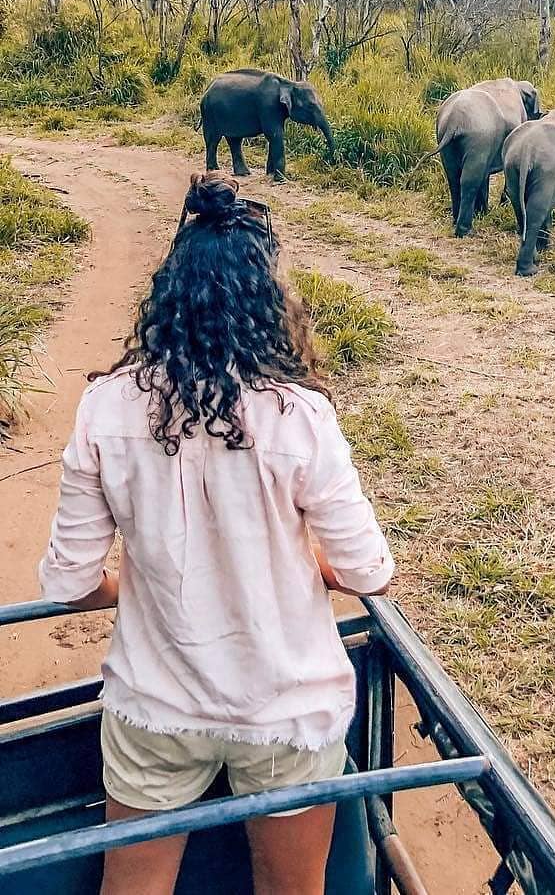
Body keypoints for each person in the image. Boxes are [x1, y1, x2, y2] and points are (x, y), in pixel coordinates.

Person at [39, 172, 394, 895]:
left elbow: (68, 583)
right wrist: (308, 566)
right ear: (269, 303)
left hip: (155, 706)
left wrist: (138, 580)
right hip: (285, 709)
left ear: (169, 294)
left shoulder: (104, 407)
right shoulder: (300, 417)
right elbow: (369, 572)